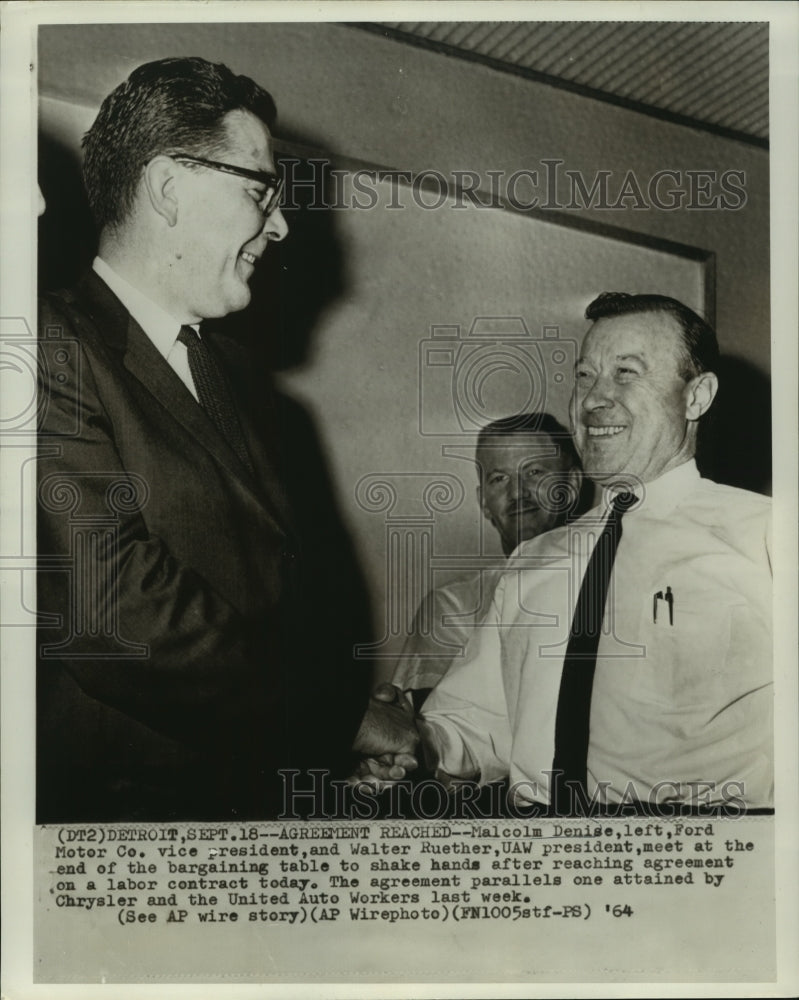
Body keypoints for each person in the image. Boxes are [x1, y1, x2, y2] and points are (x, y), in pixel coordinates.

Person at [36, 57, 366, 822]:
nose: (279, 224)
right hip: (115, 839)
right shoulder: (41, 347)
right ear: (168, 188)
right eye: (259, 190)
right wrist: (332, 718)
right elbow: (112, 611)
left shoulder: (241, 383)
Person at [354, 292, 773, 814]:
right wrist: (412, 739)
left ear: (696, 396)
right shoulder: (533, 562)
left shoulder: (768, 538)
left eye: (626, 373)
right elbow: (478, 724)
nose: (594, 399)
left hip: (699, 866)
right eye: (584, 376)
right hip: (544, 864)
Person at [392, 412, 584, 710]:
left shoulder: (616, 580)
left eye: (534, 472)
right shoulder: (452, 608)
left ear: (571, 485)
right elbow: (426, 728)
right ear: (484, 503)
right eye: (499, 478)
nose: (517, 492)